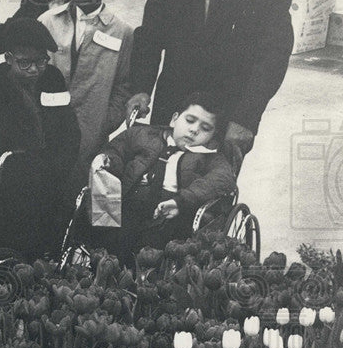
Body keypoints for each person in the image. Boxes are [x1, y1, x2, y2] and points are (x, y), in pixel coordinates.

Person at [127, 0, 294, 164]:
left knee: (211, 188)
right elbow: (149, 37)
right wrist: (140, 88)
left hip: (231, 114)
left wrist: (246, 119)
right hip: (174, 104)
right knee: (157, 180)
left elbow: (273, 59)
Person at [0, 20, 81, 260]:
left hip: (53, 179)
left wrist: (58, 168)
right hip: (11, 192)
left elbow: (69, 131)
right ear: (8, 58)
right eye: (24, 63)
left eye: (40, 61)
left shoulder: (52, 80)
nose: (34, 70)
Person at [90, 92, 237, 256]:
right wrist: (110, 161)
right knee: (109, 229)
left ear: (211, 136)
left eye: (205, 128)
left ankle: (133, 268)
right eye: (190, 120)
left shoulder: (210, 157)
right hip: (129, 201)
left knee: (150, 243)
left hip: (168, 214)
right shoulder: (142, 135)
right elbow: (117, 150)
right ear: (175, 119)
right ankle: (102, 255)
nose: (194, 130)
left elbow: (222, 178)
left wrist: (181, 200)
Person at [40, 0, 134, 181]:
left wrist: (102, 123)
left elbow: (123, 87)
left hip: (91, 139)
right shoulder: (47, 22)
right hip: (46, 131)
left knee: (80, 194)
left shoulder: (123, 32)